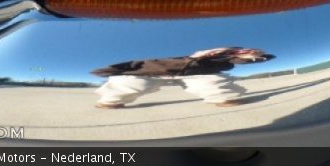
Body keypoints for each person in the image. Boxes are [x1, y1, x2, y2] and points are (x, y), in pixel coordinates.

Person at [91, 47, 274, 109]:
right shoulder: (151, 61)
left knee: (215, 84)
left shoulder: (216, 58)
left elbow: (240, 59)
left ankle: (224, 98)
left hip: (196, 74)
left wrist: (258, 58)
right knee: (131, 83)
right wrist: (110, 71)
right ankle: (110, 100)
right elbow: (129, 65)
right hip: (149, 72)